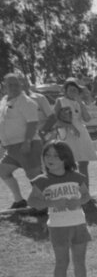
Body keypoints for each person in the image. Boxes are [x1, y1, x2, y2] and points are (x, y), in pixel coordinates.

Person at [27, 141, 97, 277]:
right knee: (62, 262)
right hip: (58, 228)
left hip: (78, 224)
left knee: (80, 262)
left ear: (65, 159)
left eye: (56, 156)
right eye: (47, 155)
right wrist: (51, 203)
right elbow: (32, 201)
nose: (50, 158)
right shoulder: (41, 180)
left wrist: (78, 201)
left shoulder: (76, 177)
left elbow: (86, 196)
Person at [53, 78, 97, 212]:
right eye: (70, 89)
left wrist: (80, 102)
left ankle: (86, 194)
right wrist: (70, 126)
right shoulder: (60, 101)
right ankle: (69, 195)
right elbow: (55, 119)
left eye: (75, 90)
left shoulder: (79, 103)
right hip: (67, 134)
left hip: (81, 134)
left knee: (84, 164)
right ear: (65, 90)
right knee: (68, 164)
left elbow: (87, 119)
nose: (73, 92)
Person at [0, 72, 41, 210]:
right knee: (2, 171)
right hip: (11, 148)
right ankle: (19, 201)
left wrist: (27, 142)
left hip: (26, 144)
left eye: (16, 84)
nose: (13, 87)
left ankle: (43, 205)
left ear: (21, 85)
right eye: (9, 84)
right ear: (4, 86)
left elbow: (32, 123)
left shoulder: (26, 102)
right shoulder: (4, 101)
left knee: (34, 176)